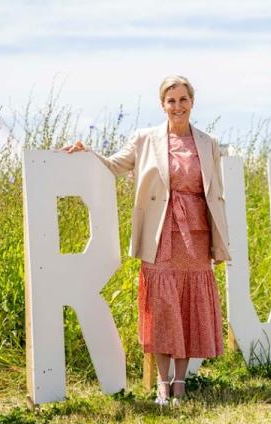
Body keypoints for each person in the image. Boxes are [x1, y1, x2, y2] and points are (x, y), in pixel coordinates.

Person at [61, 75, 230, 406]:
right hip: (159, 233)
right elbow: (113, 166)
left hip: (195, 235)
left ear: (192, 102)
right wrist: (88, 152)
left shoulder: (208, 143)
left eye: (183, 99)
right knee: (164, 305)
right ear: (162, 105)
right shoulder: (145, 139)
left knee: (187, 305)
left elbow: (215, 193)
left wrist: (219, 240)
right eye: (171, 101)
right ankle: (162, 385)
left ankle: (180, 384)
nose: (177, 106)